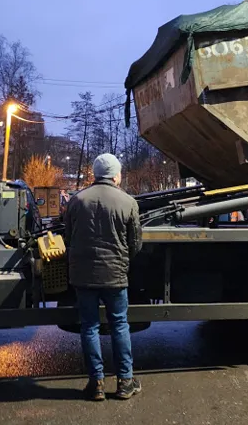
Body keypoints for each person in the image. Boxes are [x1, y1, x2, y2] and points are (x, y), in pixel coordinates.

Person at [63, 153, 142, 401]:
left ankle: (96, 383)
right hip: (115, 275)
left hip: (83, 275)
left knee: (89, 327)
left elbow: (68, 237)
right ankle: (125, 382)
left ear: (96, 174)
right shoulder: (128, 202)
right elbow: (135, 243)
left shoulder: (76, 201)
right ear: (116, 175)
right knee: (119, 324)